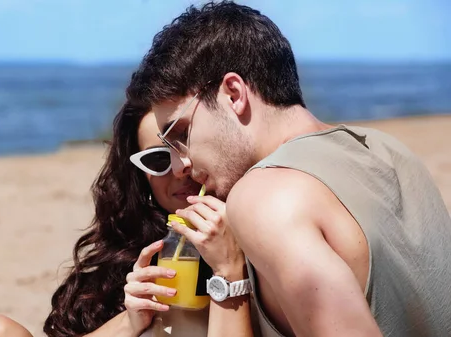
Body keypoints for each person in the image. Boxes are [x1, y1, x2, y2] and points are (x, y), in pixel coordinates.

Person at [126, 1, 451, 337]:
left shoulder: (264, 197)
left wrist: (228, 279)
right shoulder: (387, 150)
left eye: (181, 133)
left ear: (234, 93)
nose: (179, 165)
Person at [0, 100, 253, 337]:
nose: (180, 168)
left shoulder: (256, 237)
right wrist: (132, 321)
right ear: (142, 179)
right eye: (159, 159)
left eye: (187, 146)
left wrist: (229, 277)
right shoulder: (137, 257)